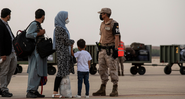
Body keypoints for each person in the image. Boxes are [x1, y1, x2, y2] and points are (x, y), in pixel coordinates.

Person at [93, 8, 120, 97]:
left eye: (102, 13)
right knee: (101, 69)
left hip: (110, 50)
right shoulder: (102, 24)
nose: (101, 15)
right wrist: (99, 46)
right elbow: (101, 36)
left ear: (106, 14)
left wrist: (116, 49)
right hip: (102, 50)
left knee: (112, 69)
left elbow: (117, 37)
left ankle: (115, 88)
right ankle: (103, 88)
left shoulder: (114, 24)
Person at [52, 11, 74, 98]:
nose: (67, 19)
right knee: (60, 72)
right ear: (62, 17)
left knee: (64, 72)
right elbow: (64, 40)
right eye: (66, 17)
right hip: (62, 54)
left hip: (65, 53)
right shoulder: (58, 28)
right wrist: (72, 41)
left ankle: (65, 93)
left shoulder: (63, 28)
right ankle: (54, 93)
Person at [26, 9, 47, 98]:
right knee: (34, 72)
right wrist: (39, 33)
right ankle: (30, 91)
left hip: (39, 53)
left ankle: (35, 90)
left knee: (38, 72)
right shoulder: (34, 24)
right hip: (35, 53)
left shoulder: (38, 25)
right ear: (43, 16)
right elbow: (28, 34)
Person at [0, 8, 17, 97]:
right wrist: (2, 54)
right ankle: (3, 89)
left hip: (12, 52)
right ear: (8, 15)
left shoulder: (6, 24)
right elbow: (0, 41)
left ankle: (3, 87)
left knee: (11, 70)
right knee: (4, 71)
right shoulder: (1, 25)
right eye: (10, 15)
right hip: (6, 53)